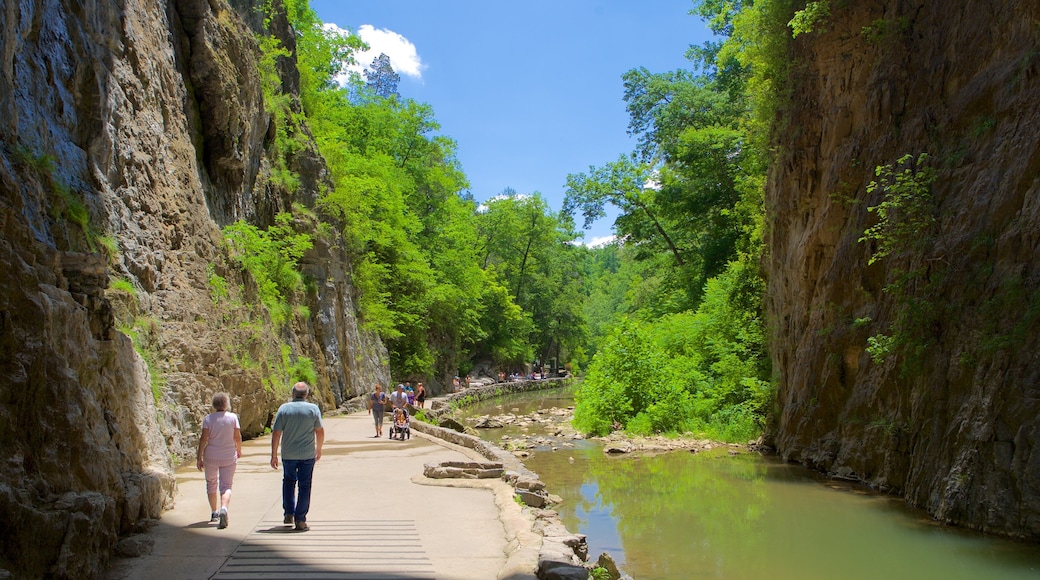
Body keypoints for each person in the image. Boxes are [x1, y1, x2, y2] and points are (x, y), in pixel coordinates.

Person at [270, 382, 324, 532]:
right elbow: (319, 431)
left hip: (289, 454)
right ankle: (300, 519)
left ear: (293, 394)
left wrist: (274, 454)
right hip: (307, 454)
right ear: (306, 395)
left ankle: (288, 513)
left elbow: (276, 433)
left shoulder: (284, 409)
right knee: (305, 485)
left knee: (288, 482)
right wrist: (318, 449)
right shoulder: (313, 409)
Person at [196, 392, 242, 529]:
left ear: (214, 404)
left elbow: (203, 439)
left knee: (211, 483)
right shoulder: (233, 418)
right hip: (228, 455)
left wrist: (199, 457)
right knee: (226, 485)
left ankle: (214, 513)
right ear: (227, 403)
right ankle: (224, 509)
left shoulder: (208, 419)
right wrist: (238, 450)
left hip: (210, 455)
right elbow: (237, 437)